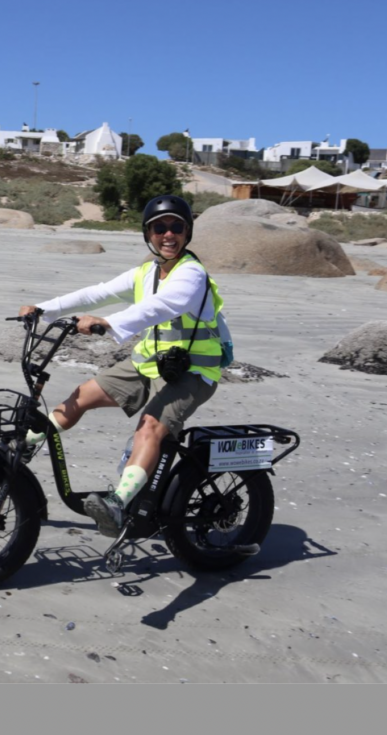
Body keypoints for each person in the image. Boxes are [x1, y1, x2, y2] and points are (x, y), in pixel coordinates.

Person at [18, 195, 233, 537]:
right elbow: (97, 293)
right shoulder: (146, 272)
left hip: (193, 373)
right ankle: (24, 447)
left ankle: (117, 505)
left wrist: (108, 322)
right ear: (147, 233)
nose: (168, 234)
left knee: (149, 427)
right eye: (158, 227)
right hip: (150, 364)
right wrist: (44, 309)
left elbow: (159, 308)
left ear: (187, 231)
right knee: (82, 395)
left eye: (176, 226)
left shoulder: (191, 275)